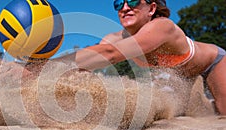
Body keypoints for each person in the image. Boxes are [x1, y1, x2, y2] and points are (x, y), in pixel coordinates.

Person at [72, 0, 226, 115]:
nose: (125, 8)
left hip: (212, 63)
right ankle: (206, 103)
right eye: (119, 3)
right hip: (180, 78)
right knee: (185, 114)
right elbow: (92, 61)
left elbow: (110, 54)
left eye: (133, 1)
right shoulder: (113, 39)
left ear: (152, 8)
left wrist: (53, 62)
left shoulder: (163, 26)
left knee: (223, 111)